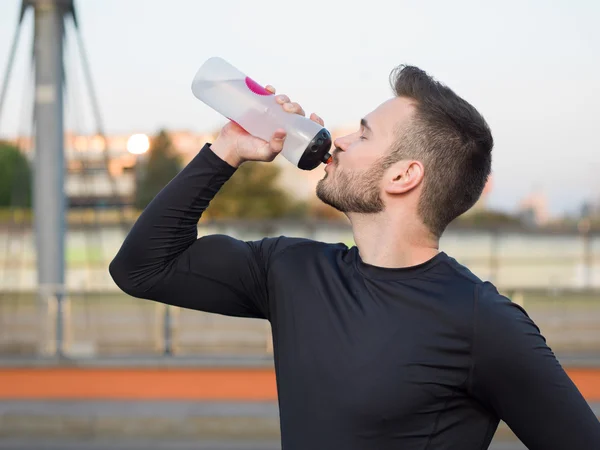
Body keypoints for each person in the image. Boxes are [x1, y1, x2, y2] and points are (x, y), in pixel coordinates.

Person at [109, 65, 600, 449]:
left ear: (403, 175)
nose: (338, 140)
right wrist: (227, 150)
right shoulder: (291, 270)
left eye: (362, 134)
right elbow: (142, 268)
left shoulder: (481, 321)